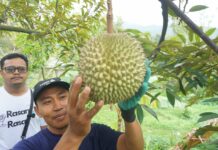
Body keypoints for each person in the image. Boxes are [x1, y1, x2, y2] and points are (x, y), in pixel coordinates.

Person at [13, 76, 147, 150]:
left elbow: (132, 148)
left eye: (62, 97)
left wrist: (128, 114)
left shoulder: (97, 133)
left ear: (73, 97)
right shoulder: (28, 146)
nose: (58, 106)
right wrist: (75, 134)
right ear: (38, 112)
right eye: (47, 102)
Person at [0, 53, 45, 150]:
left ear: (27, 72)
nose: (16, 72)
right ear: (1, 72)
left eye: (21, 69)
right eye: (10, 69)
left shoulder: (37, 96)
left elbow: (44, 127)